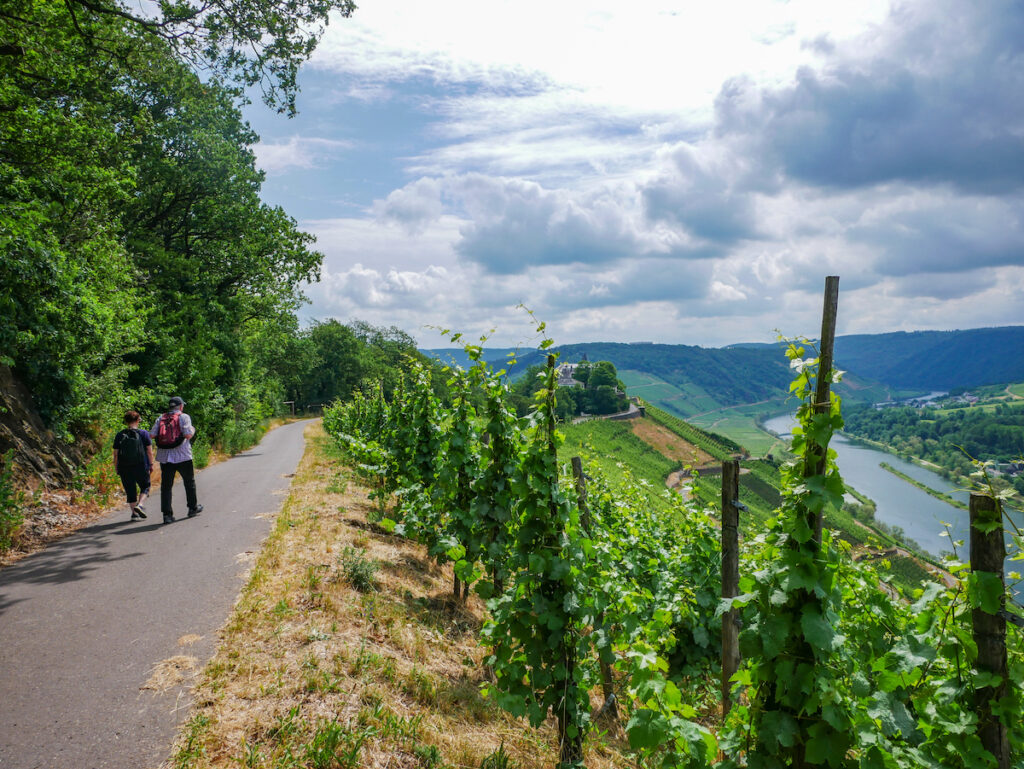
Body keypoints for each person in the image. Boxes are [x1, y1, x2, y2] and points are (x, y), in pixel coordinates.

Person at [150, 396, 203, 524]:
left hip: (165, 458)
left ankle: (167, 515)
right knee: (189, 483)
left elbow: (152, 435)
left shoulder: (160, 418)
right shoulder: (184, 417)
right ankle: (192, 508)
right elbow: (188, 435)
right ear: (180, 406)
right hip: (183, 455)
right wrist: (193, 429)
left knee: (166, 487)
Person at [112, 410, 154, 521]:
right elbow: (149, 451)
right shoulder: (143, 433)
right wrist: (151, 464)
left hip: (124, 466)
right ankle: (140, 505)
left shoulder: (120, 435)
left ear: (126, 421)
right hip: (141, 465)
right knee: (145, 486)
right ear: (137, 420)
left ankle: (134, 514)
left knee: (130, 490)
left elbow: (115, 454)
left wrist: (116, 467)